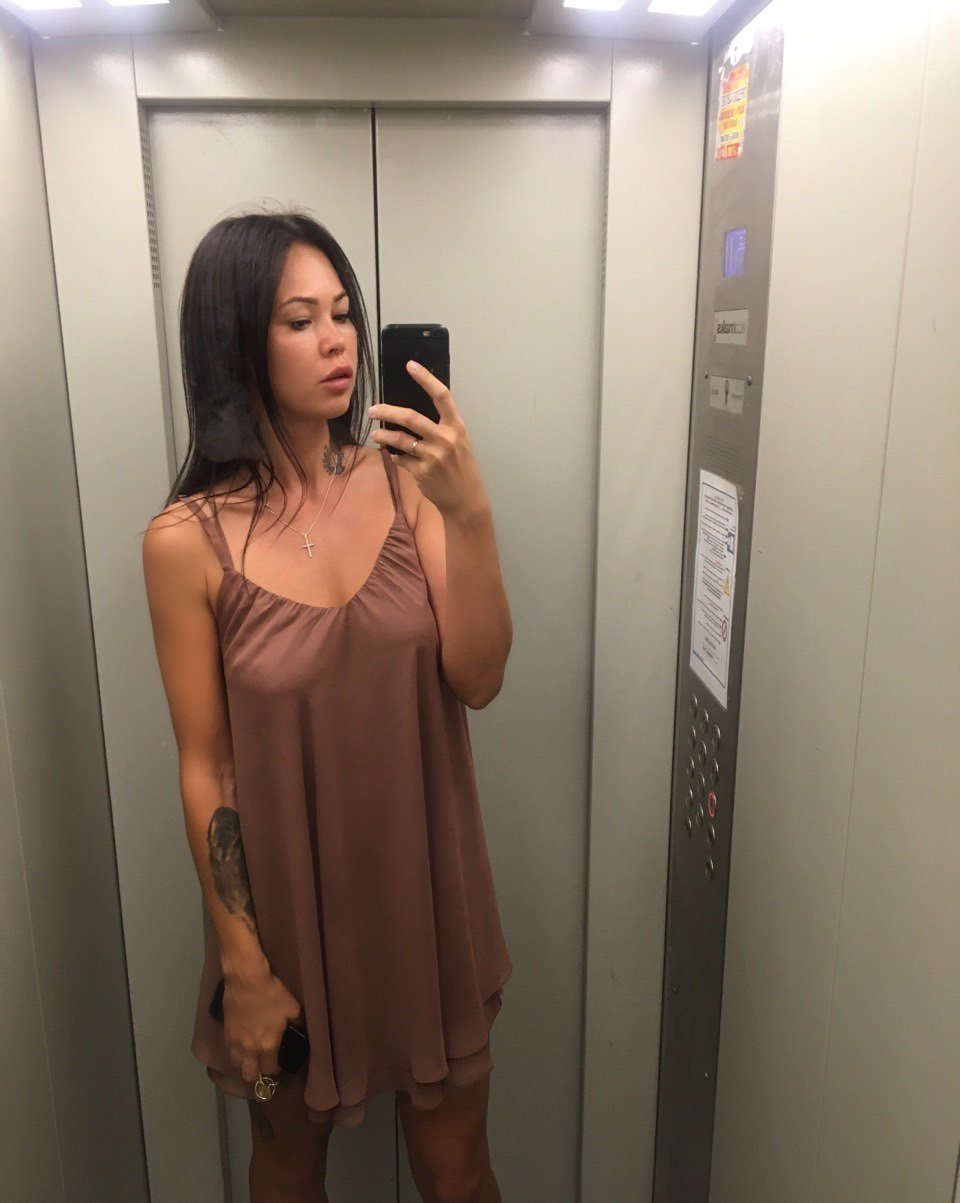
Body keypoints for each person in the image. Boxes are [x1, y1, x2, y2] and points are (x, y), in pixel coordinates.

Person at [141, 211, 514, 1202]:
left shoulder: (406, 484)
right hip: (283, 927)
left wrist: (472, 513)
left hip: (426, 901)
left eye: (344, 313)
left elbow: (480, 677)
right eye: (299, 320)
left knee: (458, 1171)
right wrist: (242, 962)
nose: (338, 340)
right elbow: (207, 765)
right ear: (236, 343)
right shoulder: (184, 542)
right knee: (286, 1170)